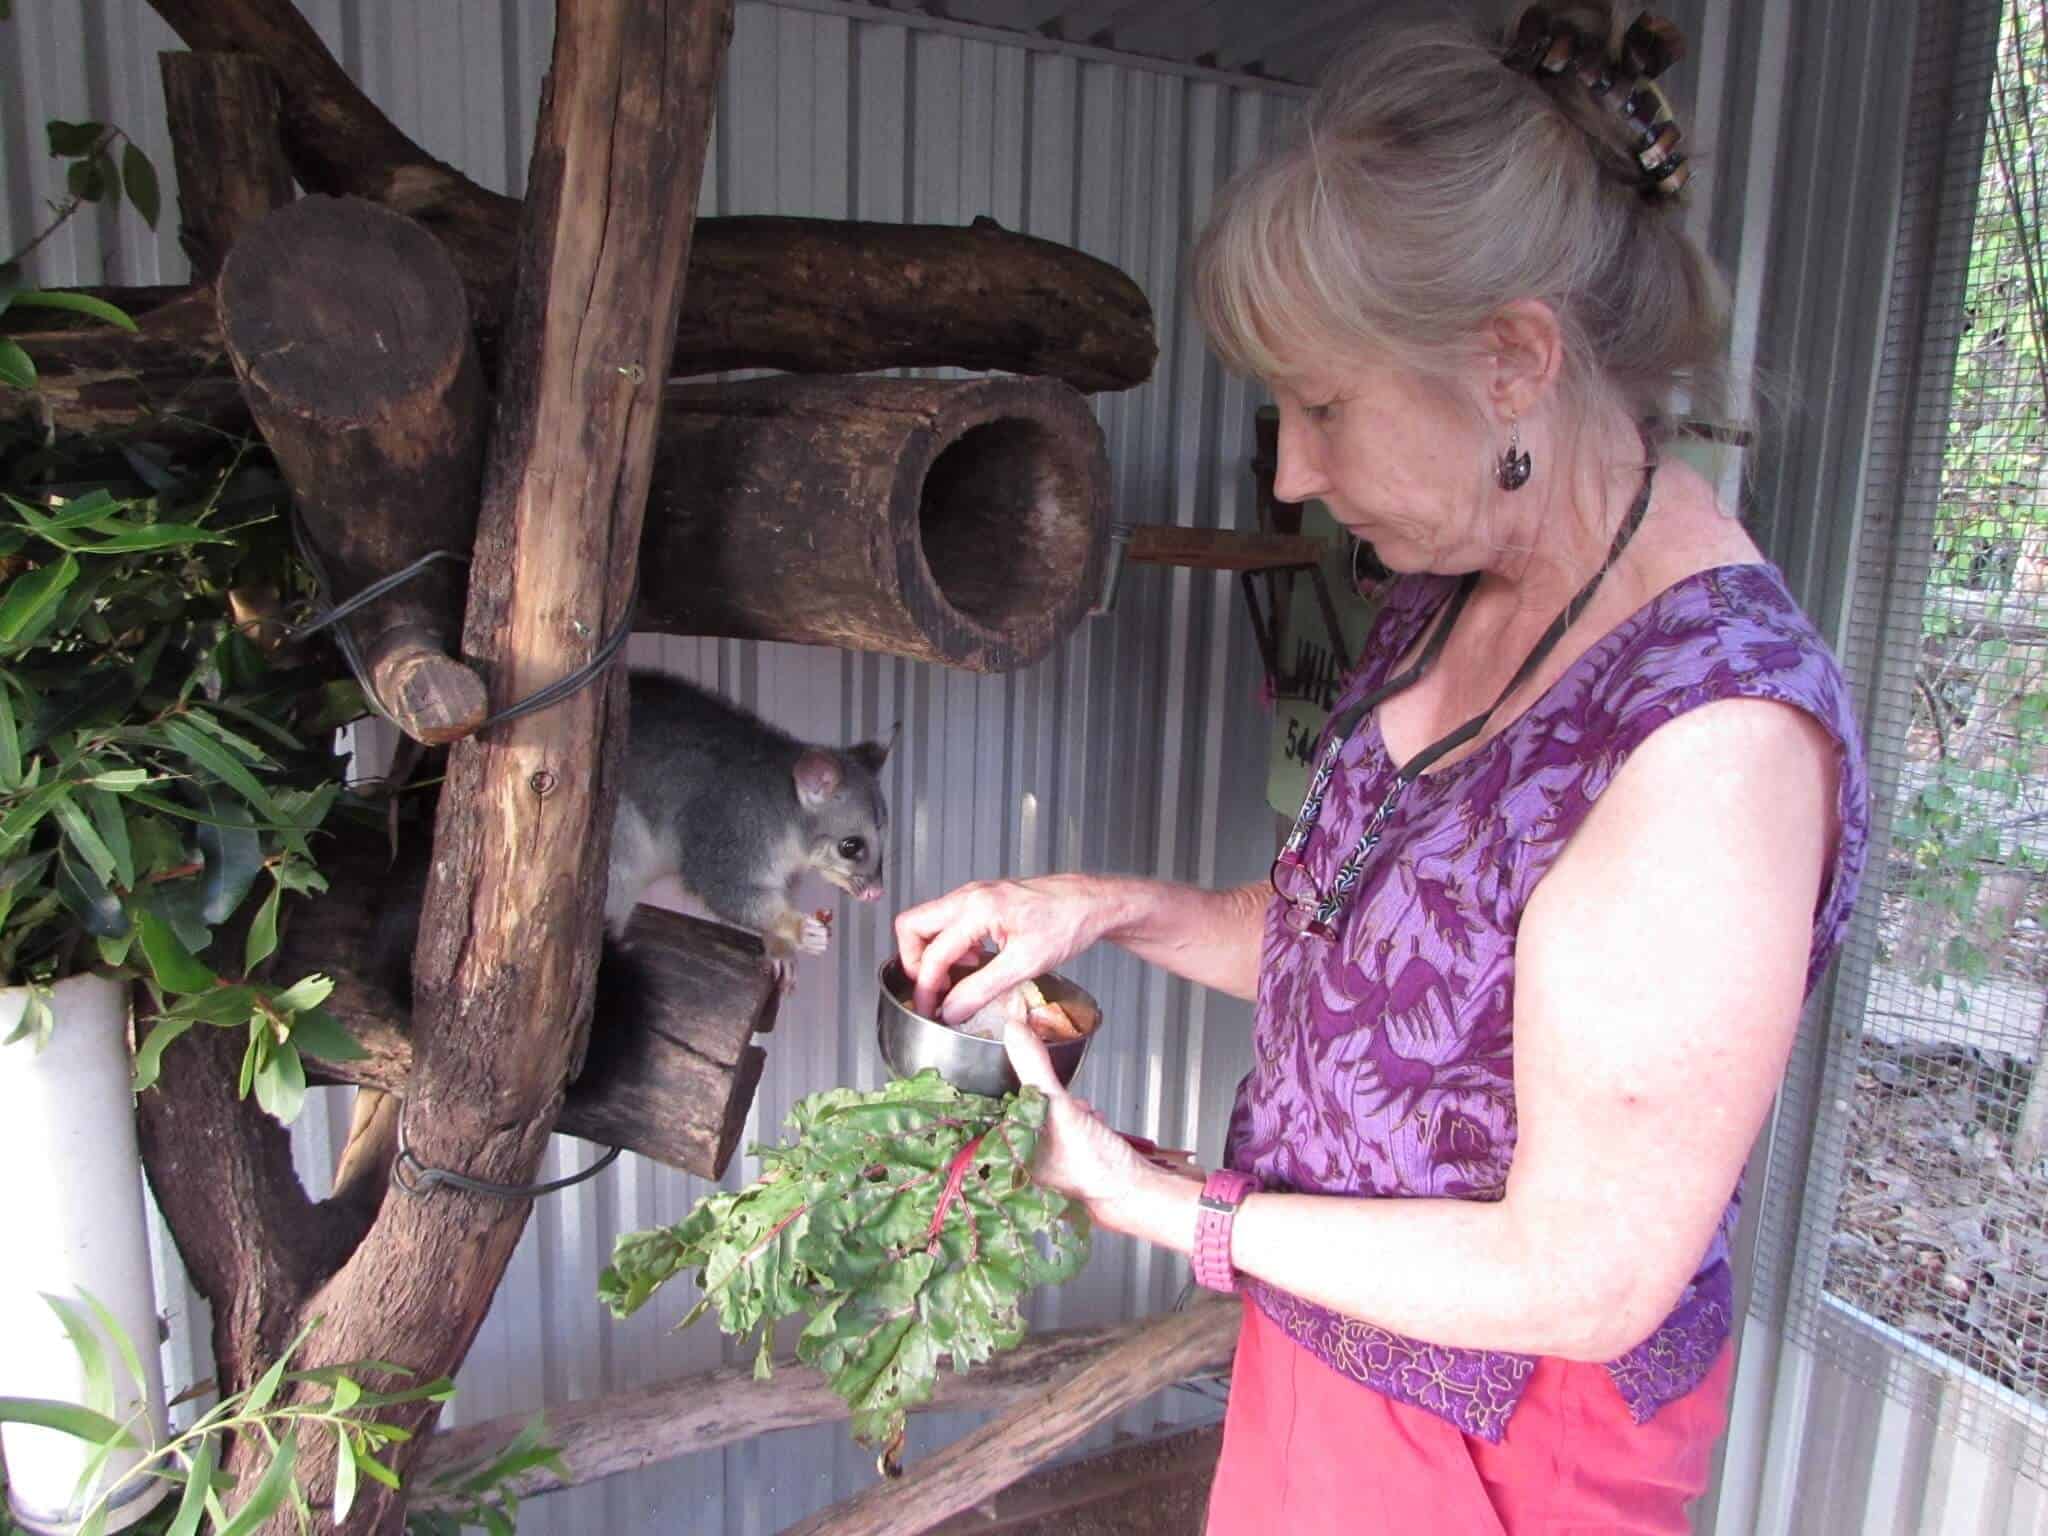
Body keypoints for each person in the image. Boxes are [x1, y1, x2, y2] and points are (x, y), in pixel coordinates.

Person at [893, 6, 1869, 1533]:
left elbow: (1585, 1275)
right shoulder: (1450, 585)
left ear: (1513, 363)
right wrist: (1095, 909)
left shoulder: (1710, 747)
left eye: (1327, 407)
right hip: (1320, 1351)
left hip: (1505, 1440)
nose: (1289, 470)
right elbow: (1369, 964)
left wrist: (1172, 1210)